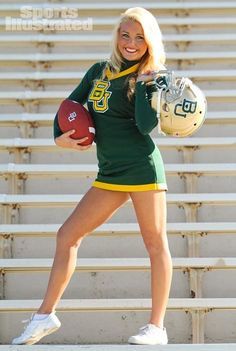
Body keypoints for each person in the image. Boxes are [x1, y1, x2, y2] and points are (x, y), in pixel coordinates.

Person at [12, 7, 173, 346]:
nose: (130, 43)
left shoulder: (150, 76)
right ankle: (45, 316)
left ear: (149, 42)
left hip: (142, 169)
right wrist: (59, 137)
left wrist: (146, 84)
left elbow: (146, 127)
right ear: (116, 35)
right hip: (110, 172)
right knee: (67, 236)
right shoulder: (99, 71)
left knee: (155, 243)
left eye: (139, 37)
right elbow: (70, 105)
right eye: (125, 34)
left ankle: (156, 327)